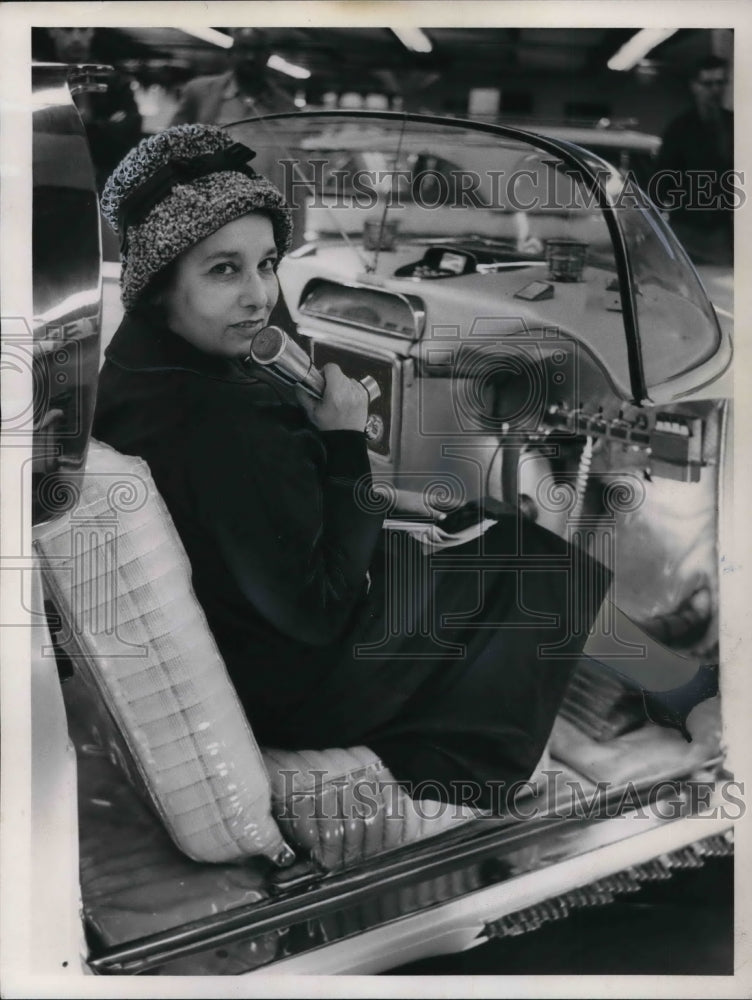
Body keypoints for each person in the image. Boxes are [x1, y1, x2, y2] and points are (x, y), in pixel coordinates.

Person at [93, 124, 611, 811]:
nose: (259, 296)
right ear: (160, 284)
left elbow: (263, 526)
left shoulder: (142, 374)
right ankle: (464, 767)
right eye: (224, 270)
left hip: (244, 643)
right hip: (300, 687)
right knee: (542, 563)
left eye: (267, 262)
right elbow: (320, 611)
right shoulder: (220, 423)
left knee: (471, 527)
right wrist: (344, 442)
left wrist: (384, 500)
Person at [655, 55, 734, 266]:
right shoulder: (679, 129)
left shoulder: (735, 125)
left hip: (722, 233)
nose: (715, 90)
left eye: (720, 83)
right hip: (686, 232)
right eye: (708, 84)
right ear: (695, 87)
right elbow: (662, 181)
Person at [44, 27, 143, 191]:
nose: (76, 38)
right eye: (67, 30)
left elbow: (131, 129)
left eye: (83, 30)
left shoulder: (114, 80)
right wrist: (102, 127)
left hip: (102, 180)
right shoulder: (36, 78)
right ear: (52, 31)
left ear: (92, 32)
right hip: (50, 179)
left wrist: (78, 127)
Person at [170, 28, 296, 126]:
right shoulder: (198, 92)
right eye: (243, 48)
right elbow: (169, 142)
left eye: (258, 50)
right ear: (231, 53)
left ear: (268, 56)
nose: (250, 57)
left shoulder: (287, 106)